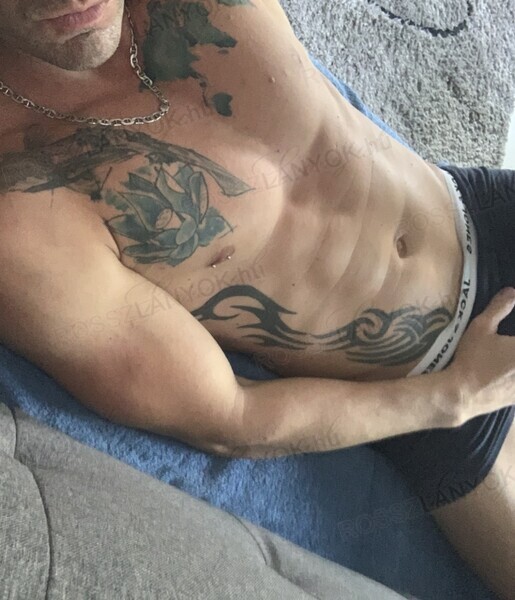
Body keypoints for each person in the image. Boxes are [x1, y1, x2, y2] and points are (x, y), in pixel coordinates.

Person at [0, 1, 513, 597]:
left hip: (479, 211)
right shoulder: (21, 217)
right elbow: (232, 415)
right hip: (433, 387)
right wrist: (451, 398)